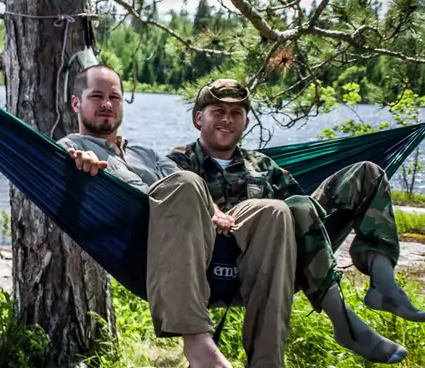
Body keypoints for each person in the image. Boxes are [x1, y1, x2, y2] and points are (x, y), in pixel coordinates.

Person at [58, 65, 297, 368]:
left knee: (275, 212)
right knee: (186, 183)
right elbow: (65, 165)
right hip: (147, 248)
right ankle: (197, 344)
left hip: (198, 242)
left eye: (114, 97)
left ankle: (268, 360)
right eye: (97, 96)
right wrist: (82, 160)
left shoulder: (146, 153)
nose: (107, 104)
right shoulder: (72, 148)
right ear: (76, 103)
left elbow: (185, 182)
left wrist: (215, 211)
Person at [166, 79, 419, 364]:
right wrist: (212, 208)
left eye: (236, 113)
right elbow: (176, 192)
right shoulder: (180, 160)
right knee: (278, 210)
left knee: (367, 174)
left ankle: (383, 282)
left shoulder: (262, 165)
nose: (227, 119)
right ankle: (344, 321)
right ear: (199, 117)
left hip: (281, 252)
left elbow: (302, 206)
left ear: (246, 121)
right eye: (218, 111)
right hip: (221, 255)